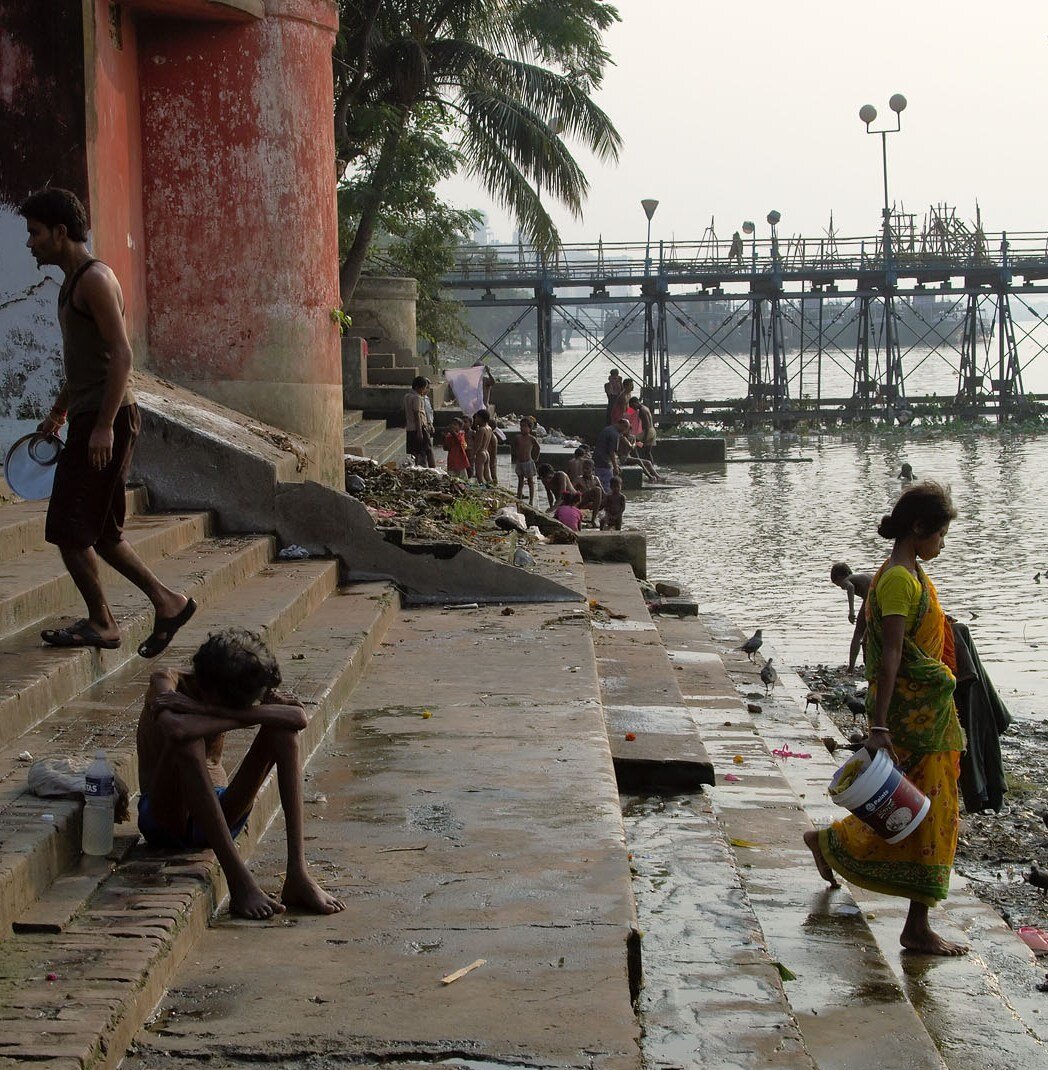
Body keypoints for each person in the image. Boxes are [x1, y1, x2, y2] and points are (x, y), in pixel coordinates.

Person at [21, 188, 195, 657]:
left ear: (60, 232)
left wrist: (102, 427)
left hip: (108, 419)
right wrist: (59, 410)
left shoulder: (94, 279)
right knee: (103, 531)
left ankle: (102, 622)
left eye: (35, 233)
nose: (30, 243)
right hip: (91, 415)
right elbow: (87, 361)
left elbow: (121, 354)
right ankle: (168, 602)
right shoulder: (71, 281)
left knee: (67, 528)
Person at [805, 482, 968, 956]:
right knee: (933, 815)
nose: (941, 543)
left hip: (929, 716)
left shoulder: (909, 572)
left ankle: (829, 843)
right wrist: (878, 728)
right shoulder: (898, 578)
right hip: (913, 720)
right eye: (939, 534)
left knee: (920, 813)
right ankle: (916, 927)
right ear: (918, 529)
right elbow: (893, 655)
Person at [137, 628, 345, 920]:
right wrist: (235, 714)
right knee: (189, 742)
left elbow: (297, 718)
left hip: (219, 812)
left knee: (283, 735)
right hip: (166, 818)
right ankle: (239, 880)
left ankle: (298, 873)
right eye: (231, 706)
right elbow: (179, 730)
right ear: (209, 687)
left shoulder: (217, 695)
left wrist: (208, 710)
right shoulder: (166, 682)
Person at [830, 562, 874, 673]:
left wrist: (851, 611)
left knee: (858, 633)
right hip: (879, 598)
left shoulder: (847, 580)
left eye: (839, 585)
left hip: (872, 599)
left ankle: (851, 668)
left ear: (839, 578)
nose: (841, 587)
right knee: (869, 634)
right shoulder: (862, 576)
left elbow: (850, 587)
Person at [404, 375, 433, 467]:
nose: (424, 391)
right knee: (423, 451)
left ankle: (416, 467)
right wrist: (420, 431)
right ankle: (423, 468)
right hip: (419, 428)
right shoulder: (417, 398)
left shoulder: (407, 396)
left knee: (414, 452)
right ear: (417, 387)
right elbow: (417, 415)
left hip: (410, 428)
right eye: (423, 388)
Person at [593, 419, 629, 492]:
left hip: (597, 460)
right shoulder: (614, 434)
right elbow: (611, 451)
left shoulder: (607, 429)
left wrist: (615, 465)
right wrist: (615, 467)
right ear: (622, 425)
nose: (625, 431)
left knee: (599, 484)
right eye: (625, 428)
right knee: (607, 486)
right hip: (605, 463)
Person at [513, 417, 541, 504]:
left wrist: (536, 458)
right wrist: (517, 456)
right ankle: (519, 497)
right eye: (521, 426)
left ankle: (531, 500)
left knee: (530, 482)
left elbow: (538, 447)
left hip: (528, 462)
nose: (522, 428)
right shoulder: (518, 438)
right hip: (520, 462)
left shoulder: (531, 438)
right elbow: (515, 447)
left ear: (530, 428)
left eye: (525, 426)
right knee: (520, 481)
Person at [576, 459, 604, 526]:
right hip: (582, 502)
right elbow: (571, 492)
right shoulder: (578, 479)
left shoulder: (596, 479)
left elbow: (604, 494)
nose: (585, 470)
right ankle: (593, 520)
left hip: (594, 505)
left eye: (587, 468)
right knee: (597, 489)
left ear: (592, 469)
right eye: (583, 468)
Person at [471, 409, 494, 484]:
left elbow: (478, 444)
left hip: (480, 453)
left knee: (479, 476)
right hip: (486, 452)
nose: (475, 420)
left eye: (476, 418)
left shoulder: (481, 430)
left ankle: (483, 489)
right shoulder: (489, 428)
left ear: (481, 418)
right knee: (487, 475)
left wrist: (473, 454)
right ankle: (492, 487)